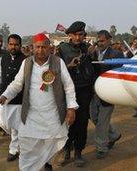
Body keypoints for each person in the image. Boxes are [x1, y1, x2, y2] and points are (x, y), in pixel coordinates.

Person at [0, 33, 78, 171]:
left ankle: (47, 163)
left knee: (50, 143)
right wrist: (5, 95)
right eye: (38, 47)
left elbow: (68, 86)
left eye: (44, 47)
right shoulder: (27, 63)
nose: (40, 50)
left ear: (50, 48)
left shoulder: (58, 62)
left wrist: (71, 108)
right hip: (30, 115)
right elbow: (17, 84)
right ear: (33, 48)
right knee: (27, 146)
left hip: (52, 114)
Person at [56, 21, 95, 167]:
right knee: (68, 122)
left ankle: (78, 152)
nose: (79, 38)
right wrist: (69, 66)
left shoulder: (88, 49)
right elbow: (55, 70)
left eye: (82, 35)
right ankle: (66, 151)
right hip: (68, 91)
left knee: (82, 122)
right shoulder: (62, 49)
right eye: (76, 35)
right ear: (70, 35)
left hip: (85, 90)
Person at [0, 34, 26, 161]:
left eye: (16, 44)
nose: (13, 47)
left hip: (19, 99)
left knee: (17, 127)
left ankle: (14, 150)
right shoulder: (3, 58)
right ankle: (17, 146)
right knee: (4, 123)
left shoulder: (25, 60)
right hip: (4, 98)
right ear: (7, 45)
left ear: (20, 45)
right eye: (11, 44)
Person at [89, 30, 123, 159]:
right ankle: (114, 135)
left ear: (109, 40)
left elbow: (120, 73)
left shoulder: (116, 54)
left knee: (102, 122)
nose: (100, 43)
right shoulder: (92, 53)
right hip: (94, 92)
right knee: (94, 117)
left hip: (108, 93)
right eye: (98, 41)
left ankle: (101, 147)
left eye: (102, 41)